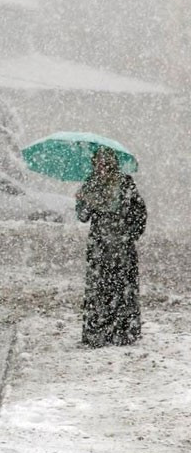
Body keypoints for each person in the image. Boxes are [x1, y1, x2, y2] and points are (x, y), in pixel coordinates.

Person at [76, 146, 147, 347]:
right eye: (98, 163)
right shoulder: (90, 184)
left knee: (122, 288)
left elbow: (139, 212)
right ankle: (98, 333)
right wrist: (84, 202)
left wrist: (130, 234)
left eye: (106, 163)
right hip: (99, 247)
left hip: (122, 248)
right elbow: (82, 217)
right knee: (100, 289)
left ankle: (123, 332)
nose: (102, 167)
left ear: (113, 164)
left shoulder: (125, 183)